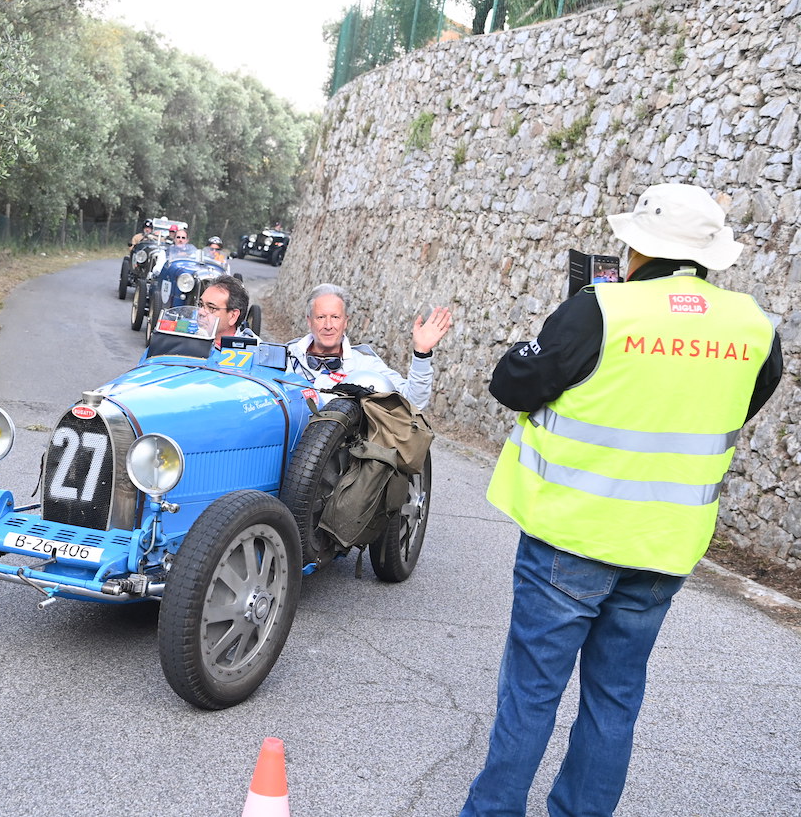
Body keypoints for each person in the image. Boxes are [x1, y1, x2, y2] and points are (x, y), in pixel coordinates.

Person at [461, 183, 783, 817]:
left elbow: (512, 384)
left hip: (570, 539)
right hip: (665, 548)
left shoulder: (600, 308)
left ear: (635, 248)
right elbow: (741, 405)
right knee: (614, 698)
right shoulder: (754, 326)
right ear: (709, 258)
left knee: (532, 692)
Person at [285, 283, 451, 409]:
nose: (328, 325)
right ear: (309, 321)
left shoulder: (365, 364)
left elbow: (412, 402)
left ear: (345, 322)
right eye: (321, 317)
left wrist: (421, 353)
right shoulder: (286, 357)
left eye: (335, 317)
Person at [196, 275, 251, 344]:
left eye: (212, 308)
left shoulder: (254, 350)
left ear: (233, 316)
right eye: (200, 305)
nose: (200, 312)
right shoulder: (183, 336)